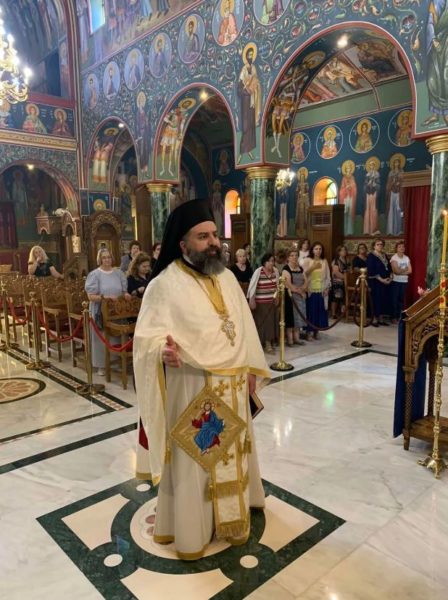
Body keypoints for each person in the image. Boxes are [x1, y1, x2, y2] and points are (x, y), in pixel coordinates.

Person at [133, 199, 270, 560]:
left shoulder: (226, 277)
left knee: (233, 453)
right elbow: (145, 338)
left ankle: (234, 516)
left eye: (214, 235)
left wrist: (250, 368)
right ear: (183, 244)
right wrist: (161, 351)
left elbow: (244, 327)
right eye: (203, 236)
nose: (213, 243)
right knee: (197, 460)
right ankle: (194, 529)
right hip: (193, 387)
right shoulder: (164, 285)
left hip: (233, 387)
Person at [85, 249, 131, 376]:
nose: (107, 260)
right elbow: (90, 296)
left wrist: (126, 295)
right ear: (100, 259)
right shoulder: (95, 274)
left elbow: (123, 291)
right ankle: (102, 365)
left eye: (109, 257)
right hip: (100, 311)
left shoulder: (119, 273)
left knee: (116, 337)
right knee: (102, 338)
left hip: (117, 311)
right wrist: (106, 297)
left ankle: (116, 362)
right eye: (104, 258)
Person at [247, 253, 279, 353]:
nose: (271, 263)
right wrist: (251, 300)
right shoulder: (258, 271)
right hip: (261, 303)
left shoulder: (276, 271)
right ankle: (265, 344)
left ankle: (269, 342)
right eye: (269, 261)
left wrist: (277, 297)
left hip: (271, 302)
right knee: (263, 323)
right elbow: (252, 287)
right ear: (264, 262)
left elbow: (277, 286)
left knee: (271, 323)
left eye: (272, 261)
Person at [302, 242, 331, 340]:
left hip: (321, 290)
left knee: (320, 311)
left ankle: (316, 331)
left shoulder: (324, 261)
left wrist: (327, 288)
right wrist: (313, 267)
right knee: (311, 311)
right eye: (316, 249)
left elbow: (328, 277)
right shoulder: (307, 260)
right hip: (310, 290)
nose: (318, 251)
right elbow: (303, 274)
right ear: (312, 250)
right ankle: (309, 332)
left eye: (320, 249)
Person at [283, 248, 307, 346]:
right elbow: (289, 285)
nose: (294, 257)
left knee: (298, 317)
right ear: (288, 258)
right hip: (290, 296)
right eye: (292, 255)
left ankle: (297, 338)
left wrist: (303, 289)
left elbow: (306, 281)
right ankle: (290, 339)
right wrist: (300, 292)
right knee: (290, 318)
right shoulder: (286, 269)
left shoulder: (300, 268)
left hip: (300, 297)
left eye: (296, 255)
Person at [367, 238, 393, 326]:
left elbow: (389, 267)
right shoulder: (371, 256)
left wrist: (390, 276)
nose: (380, 246)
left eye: (381, 244)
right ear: (374, 246)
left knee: (383, 299)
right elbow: (371, 270)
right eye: (378, 244)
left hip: (386, 281)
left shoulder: (384, 255)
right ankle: (374, 318)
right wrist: (381, 280)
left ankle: (381, 318)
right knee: (376, 299)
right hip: (375, 282)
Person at [390, 241, 412, 323]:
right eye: (399, 247)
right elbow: (396, 272)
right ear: (396, 248)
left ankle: (400, 317)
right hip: (396, 281)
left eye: (403, 246)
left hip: (404, 281)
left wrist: (401, 270)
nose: (402, 248)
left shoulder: (406, 258)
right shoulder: (394, 258)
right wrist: (405, 269)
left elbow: (410, 271)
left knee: (401, 300)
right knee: (394, 300)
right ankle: (393, 317)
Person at [330, 245, 349, 320]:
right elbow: (336, 272)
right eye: (342, 250)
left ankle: (342, 313)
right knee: (335, 298)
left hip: (345, 282)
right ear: (338, 252)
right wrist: (345, 278)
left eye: (345, 250)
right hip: (337, 282)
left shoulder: (347, 260)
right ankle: (333, 313)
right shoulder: (336, 261)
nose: (344, 251)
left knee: (343, 298)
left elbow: (349, 270)